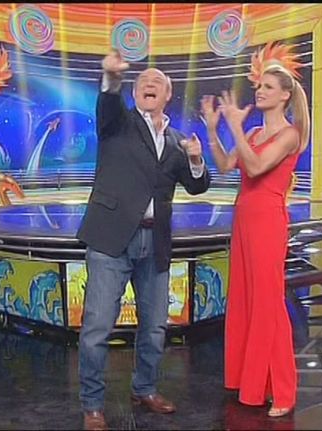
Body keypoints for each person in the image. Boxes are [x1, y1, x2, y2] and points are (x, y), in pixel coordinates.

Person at [76, 50, 211, 430]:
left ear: (168, 94)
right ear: (135, 92)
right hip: (111, 239)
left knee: (154, 327)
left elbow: (198, 186)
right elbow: (108, 100)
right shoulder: (117, 122)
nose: (149, 84)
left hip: (156, 243)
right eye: (143, 81)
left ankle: (145, 388)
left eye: (158, 82)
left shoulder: (178, 140)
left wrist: (196, 159)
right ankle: (92, 405)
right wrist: (111, 76)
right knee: (97, 327)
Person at [200, 41, 310, 417]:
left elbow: (258, 168)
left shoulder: (290, 134)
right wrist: (214, 131)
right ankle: (252, 384)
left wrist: (235, 126)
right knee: (246, 300)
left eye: (267, 87)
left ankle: (283, 391)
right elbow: (226, 165)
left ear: (284, 95)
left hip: (267, 222)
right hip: (243, 219)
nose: (259, 91)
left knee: (268, 303)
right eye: (259, 86)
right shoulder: (253, 134)